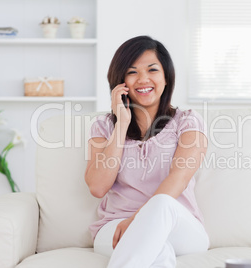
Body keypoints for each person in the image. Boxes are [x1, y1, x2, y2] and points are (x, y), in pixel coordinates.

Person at [85, 35, 209, 268]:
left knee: (162, 204)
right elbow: (97, 187)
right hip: (115, 226)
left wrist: (138, 220)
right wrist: (121, 124)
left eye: (152, 70)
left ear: (166, 77)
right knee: (157, 250)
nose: (143, 79)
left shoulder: (188, 121)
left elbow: (178, 179)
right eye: (132, 72)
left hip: (178, 225)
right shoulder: (104, 127)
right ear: (120, 81)